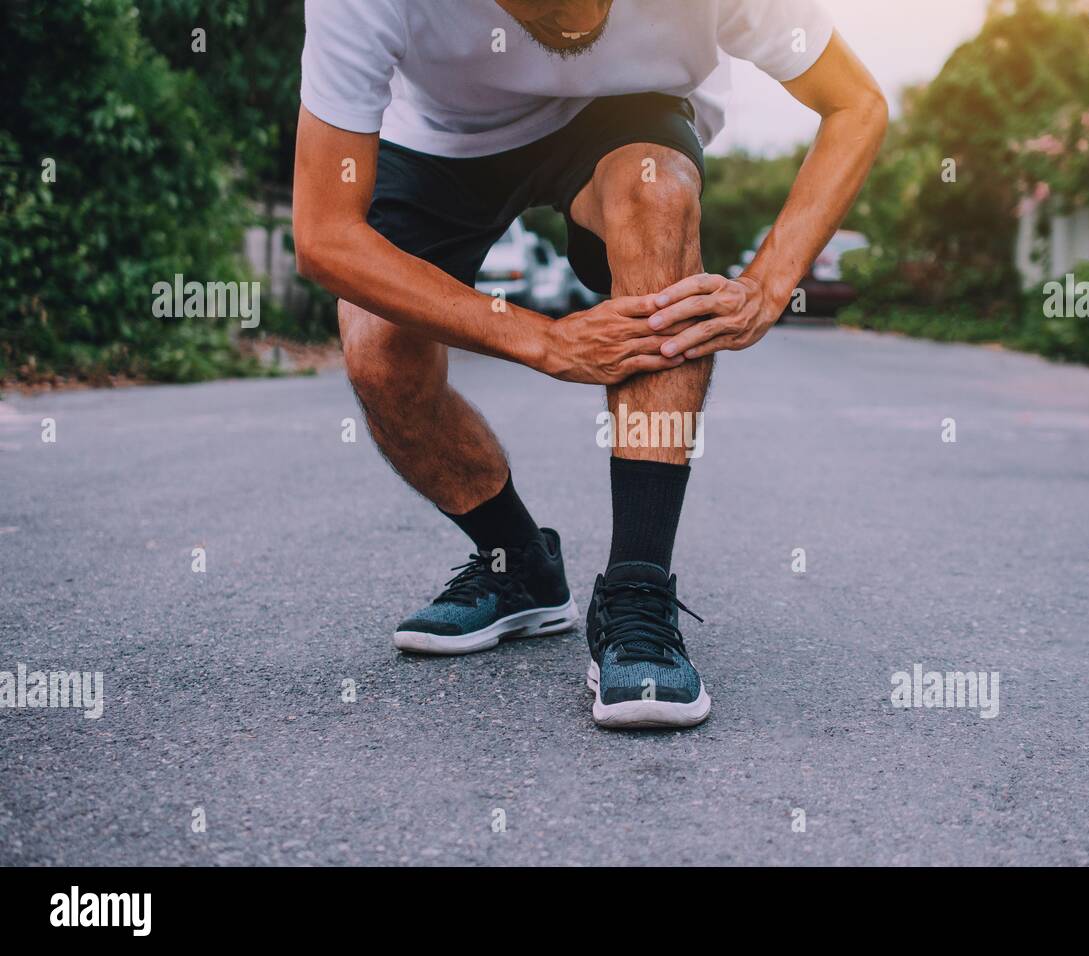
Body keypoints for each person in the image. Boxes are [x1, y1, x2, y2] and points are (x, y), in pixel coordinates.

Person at [292, 0, 887, 729]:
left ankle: (638, 589)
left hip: (622, 113)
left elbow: (856, 103)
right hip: (447, 138)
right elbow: (324, 233)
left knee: (656, 197)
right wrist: (542, 339)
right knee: (379, 354)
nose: (570, 26)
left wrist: (769, 284)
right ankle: (521, 567)